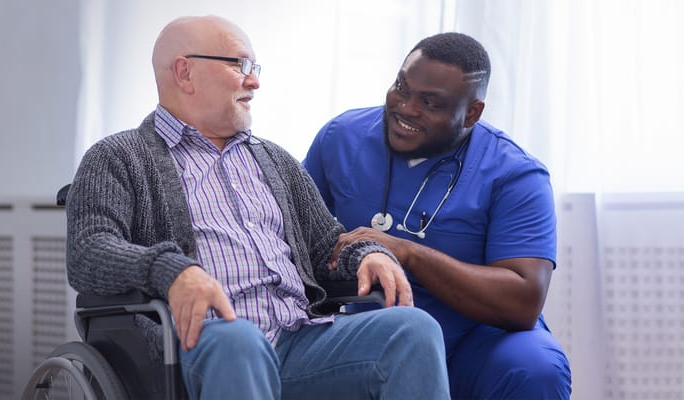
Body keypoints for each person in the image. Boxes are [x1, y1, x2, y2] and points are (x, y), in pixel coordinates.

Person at [65, 15, 450, 400]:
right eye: (240, 65)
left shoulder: (276, 160)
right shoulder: (118, 157)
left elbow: (326, 246)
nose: (254, 81)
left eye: (255, 68)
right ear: (185, 73)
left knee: (413, 330)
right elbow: (88, 251)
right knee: (240, 342)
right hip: (201, 345)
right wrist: (172, 271)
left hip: (299, 339)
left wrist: (366, 255)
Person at [303, 32, 572, 399]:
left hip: (471, 340)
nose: (406, 108)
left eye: (430, 102)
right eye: (401, 87)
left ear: (472, 113)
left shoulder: (516, 174)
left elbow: (522, 301)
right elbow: (294, 237)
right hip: (364, 328)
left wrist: (408, 253)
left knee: (535, 368)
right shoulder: (341, 138)